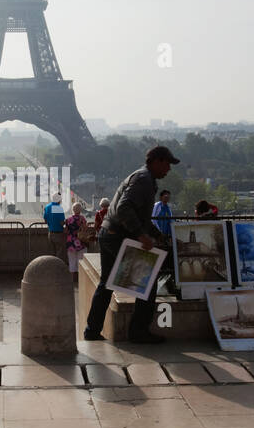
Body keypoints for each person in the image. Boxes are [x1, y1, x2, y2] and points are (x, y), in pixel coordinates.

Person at [84, 144, 180, 344]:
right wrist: (142, 235)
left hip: (109, 234)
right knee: (148, 280)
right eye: (167, 164)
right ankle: (138, 331)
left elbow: (138, 216)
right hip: (118, 236)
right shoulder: (144, 180)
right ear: (156, 161)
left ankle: (92, 331)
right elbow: (125, 208)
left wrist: (155, 234)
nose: (169, 169)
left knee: (106, 284)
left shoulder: (143, 177)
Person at [64, 202, 91, 283]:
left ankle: (72, 281)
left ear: (73, 210)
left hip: (71, 243)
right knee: (81, 262)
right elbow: (85, 229)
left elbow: (66, 231)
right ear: (80, 210)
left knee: (72, 262)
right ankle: (81, 281)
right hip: (81, 242)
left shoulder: (68, 220)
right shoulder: (82, 219)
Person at [43, 191, 67, 263]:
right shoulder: (58, 208)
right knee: (59, 255)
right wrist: (66, 222)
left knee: (52, 255)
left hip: (50, 233)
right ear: (59, 199)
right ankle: (58, 271)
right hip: (58, 234)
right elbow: (61, 222)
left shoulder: (47, 207)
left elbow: (45, 221)